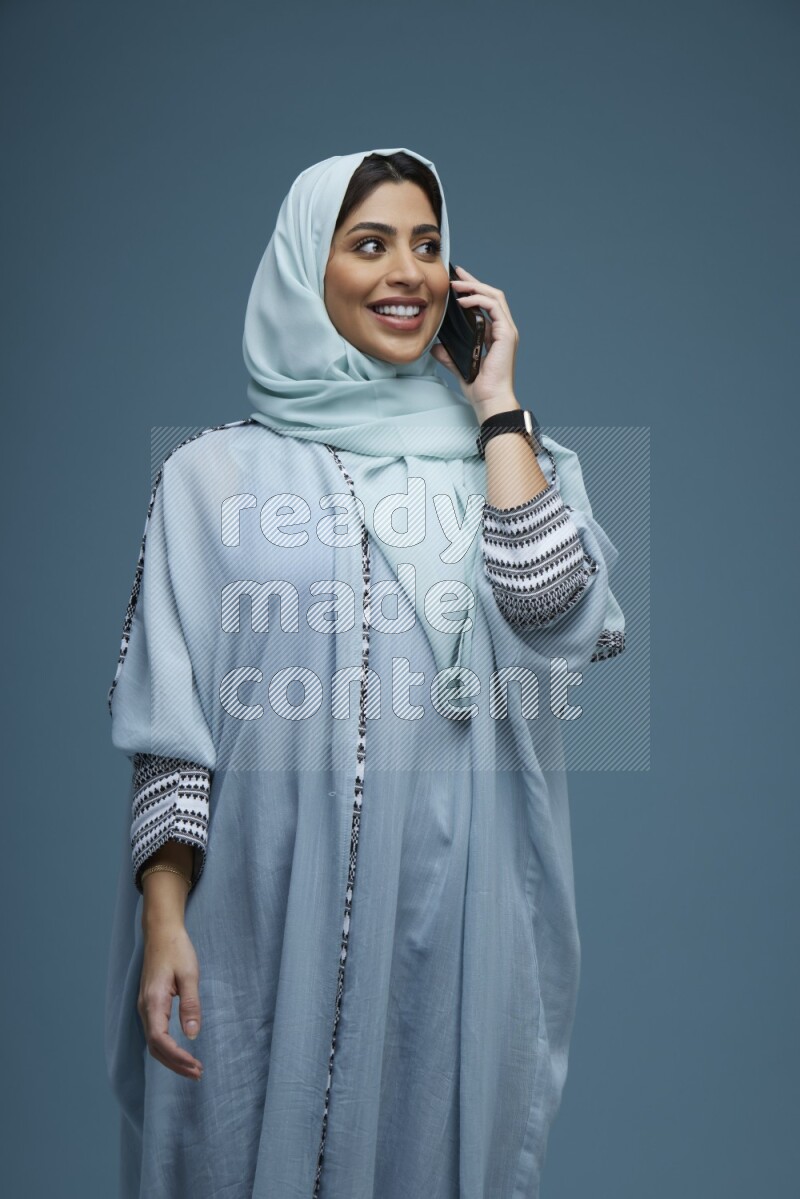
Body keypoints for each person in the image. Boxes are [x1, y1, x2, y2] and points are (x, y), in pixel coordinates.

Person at [104, 146, 626, 1199]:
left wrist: (496, 404)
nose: (407, 273)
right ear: (309, 266)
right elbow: (173, 726)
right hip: (258, 898)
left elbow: (554, 614)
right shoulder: (209, 476)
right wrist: (165, 921)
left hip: (454, 899)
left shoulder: (513, 458)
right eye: (369, 244)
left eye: (428, 246)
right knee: (237, 1139)